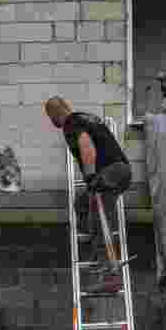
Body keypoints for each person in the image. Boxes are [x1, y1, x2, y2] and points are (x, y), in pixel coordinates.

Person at [44, 96, 131, 267]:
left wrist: (91, 177)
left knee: (99, 216)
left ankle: (108, 270)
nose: (51, 121)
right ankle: (93, 246)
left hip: (109, 172)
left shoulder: (70, 124)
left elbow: (85, 144)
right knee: (82, 203)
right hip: (122, 171)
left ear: (55, 113)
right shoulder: (87, 118)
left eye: (50, 117)